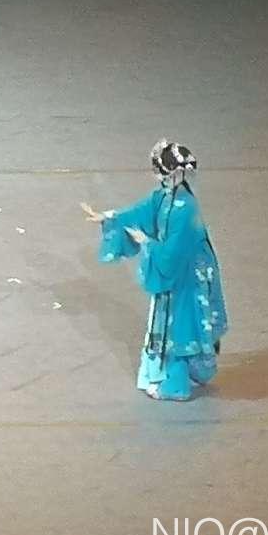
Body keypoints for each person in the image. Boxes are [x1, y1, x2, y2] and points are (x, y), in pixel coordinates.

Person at [83, 140, 228, 400]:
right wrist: (110, 217)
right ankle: (188, 371)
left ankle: (176, 385)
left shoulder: (186, 208)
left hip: (188, 277)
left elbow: (174, 252)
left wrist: (148, 244)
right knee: (176, 322)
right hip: (177, 270)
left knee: (180, 325)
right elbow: (142, 212)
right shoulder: (165, 197)